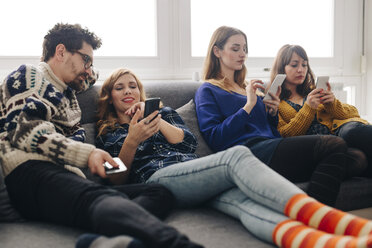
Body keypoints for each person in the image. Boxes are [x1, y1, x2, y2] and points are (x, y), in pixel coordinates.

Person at [96, 67, 372, 248]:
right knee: (235, 156)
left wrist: (154, 118)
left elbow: (189, 142)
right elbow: (116, 179)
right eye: (120, 88)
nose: (128, 91)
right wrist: (131, 140)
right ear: (109, 96)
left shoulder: (164, 113)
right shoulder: (106, 132)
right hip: (157, 179)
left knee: (246, 205)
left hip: (195, 174)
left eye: (133, 86)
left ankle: (322, 242)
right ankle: (324, 218)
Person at [0, 23, 204, 248]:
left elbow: (89, 77)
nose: (88, 70)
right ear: (60, 51)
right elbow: (25, 131)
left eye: (91, 64)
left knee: (159, 192)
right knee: (102, 199)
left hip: (67, 178)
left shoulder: (69, 91)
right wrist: (88, 154)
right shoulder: (29, 75)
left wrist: (86, 65)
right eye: (86, 59)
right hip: (30, 170)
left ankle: (101, 242)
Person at [194, 26, 367, 207]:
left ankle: (298, 199)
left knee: (356, 158)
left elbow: (269, 129)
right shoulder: (207, 90)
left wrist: (272, 113)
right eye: (235, 49)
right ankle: (312, 215)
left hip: (272, 146)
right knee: (334, 145)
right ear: (217, 51)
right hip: (248, 152)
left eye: (245, 49)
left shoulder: (246, 87)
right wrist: (248, 106)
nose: (242, 54)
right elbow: (215, 137)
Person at [270, 44, 372, 176]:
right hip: (319, 145)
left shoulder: (314, 90)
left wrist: (332, 104)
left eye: (304, 65)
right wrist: (308, 108)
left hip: (341, 132)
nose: (301, 70)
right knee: (358, 157)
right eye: (294, 65)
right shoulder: (276, 102)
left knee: (353, 131)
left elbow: (353, 113)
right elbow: (284, 135)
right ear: (281, 68)